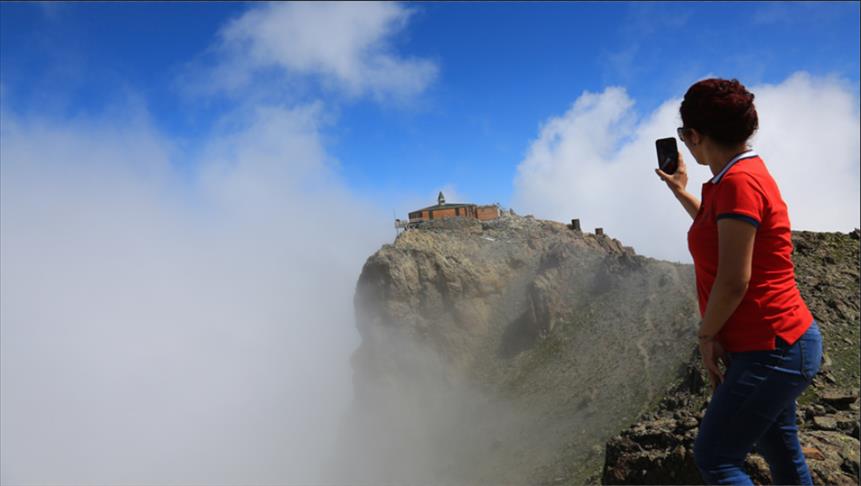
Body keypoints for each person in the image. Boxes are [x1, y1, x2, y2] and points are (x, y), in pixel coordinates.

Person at [655, 78, 823, 485]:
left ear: (694, 135)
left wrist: (706, 336)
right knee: (782, 454)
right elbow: (720, 231)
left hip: (773, 347)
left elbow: (734, 280)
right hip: (780, 344)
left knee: (715, 456)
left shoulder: (737, 183)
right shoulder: (735, 176)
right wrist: (681, 192)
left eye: (684, 135)